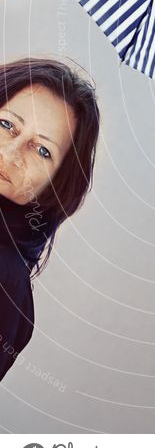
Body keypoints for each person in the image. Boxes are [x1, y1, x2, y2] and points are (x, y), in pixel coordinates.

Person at [0, 57, 99, 382]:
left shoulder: (7, 283)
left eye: (42, 150)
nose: (12, 152)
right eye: (7, 124)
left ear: (54, 185)